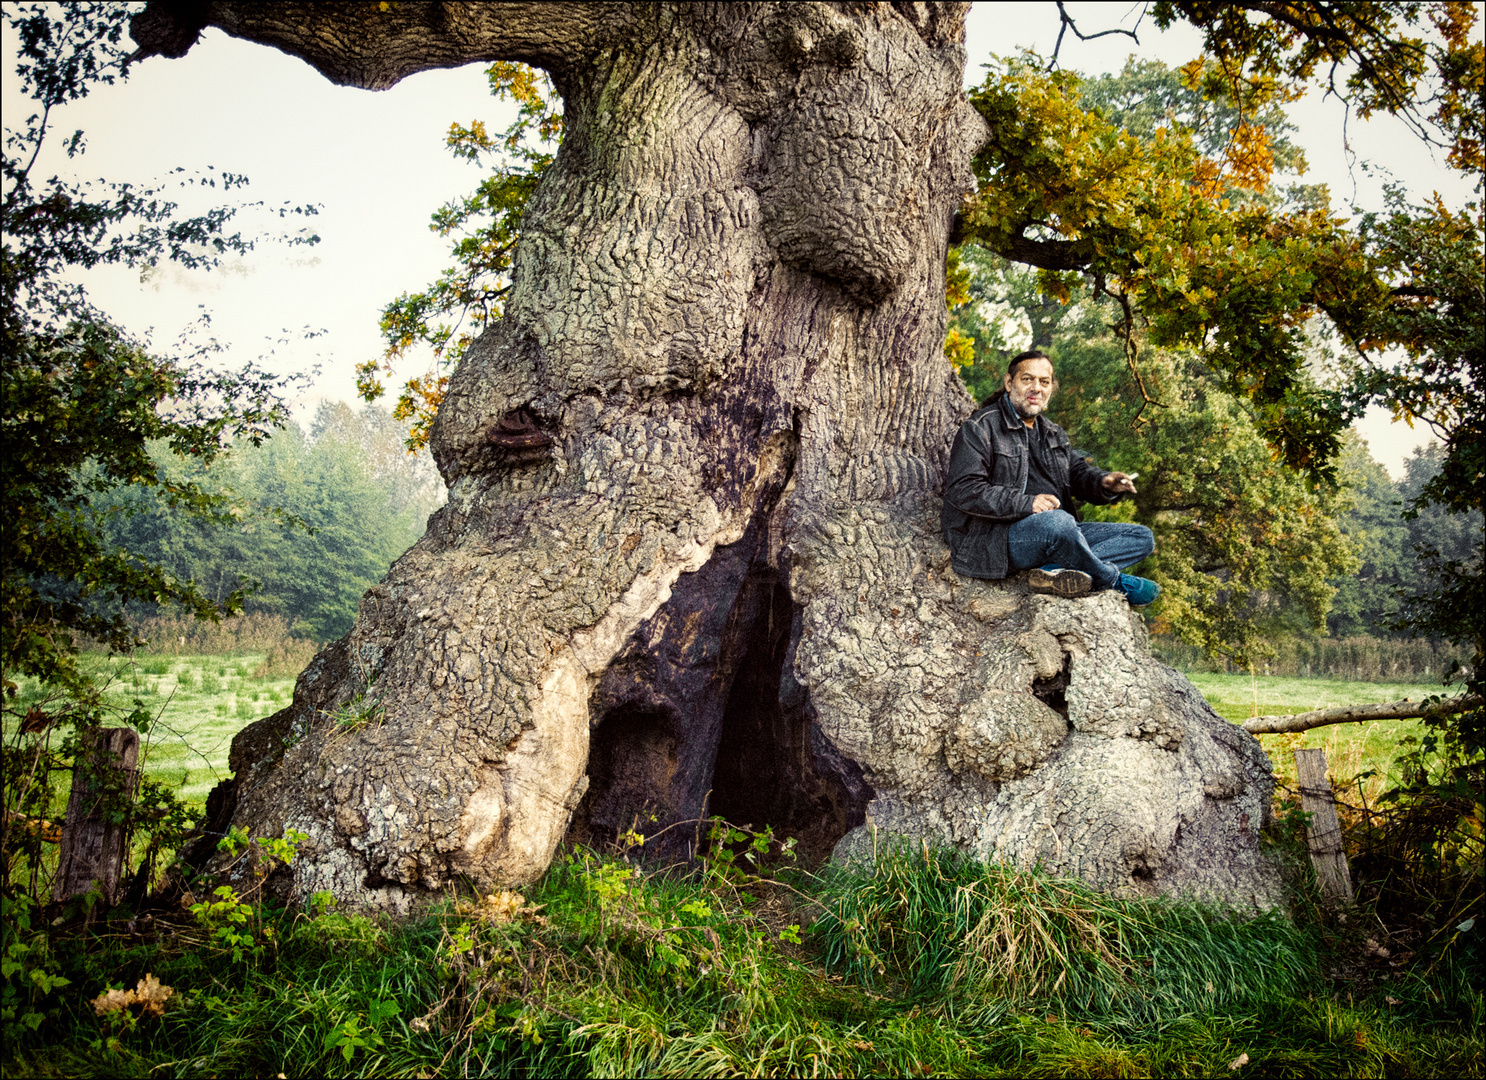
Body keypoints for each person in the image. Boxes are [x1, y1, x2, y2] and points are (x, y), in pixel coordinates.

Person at [941, 350, 1160, 604]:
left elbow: (1077, 473)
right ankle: (1111, 580)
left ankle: (1055, 571)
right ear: (1009, 383)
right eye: (1027, 379)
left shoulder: (1053, 433)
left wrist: (1104, 482)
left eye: (1044, 382)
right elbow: (964, 490)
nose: (1036, 388)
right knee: (1058, 523)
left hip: (1057, 533)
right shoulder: (981, 427)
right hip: (995, 539)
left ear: (1051, 388)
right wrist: (1027, 503)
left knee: (1142, 538)